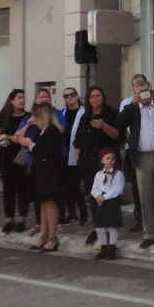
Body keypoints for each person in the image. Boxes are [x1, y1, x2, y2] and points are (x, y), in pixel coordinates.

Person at [119, 79, 154, 249]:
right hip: (141, 157)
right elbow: (119, 124)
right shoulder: (132, 109)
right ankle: (150, 233)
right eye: (139, 91)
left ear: (150, 89)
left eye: (145, 90)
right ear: (135, 92)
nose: (143, 94)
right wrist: (132, 103)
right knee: (145, 196)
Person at [74, 86, 122, 245]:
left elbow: (117, 135)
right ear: (88, 100)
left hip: (107, 161)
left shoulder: (112, 113)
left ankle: (110, 230)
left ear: (103, 97)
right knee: (93, 196)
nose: (95, 98)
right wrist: (78, 158)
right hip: (89, 162)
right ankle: (97, 228)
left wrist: (103, 126)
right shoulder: (85, 116)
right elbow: (78, 140)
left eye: (98, 95)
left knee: (109, 196)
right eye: (92, 96)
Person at [17, 103, 64, 252]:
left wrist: (31, 145)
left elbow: (48, 151)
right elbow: (20, 138)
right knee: (43, 203)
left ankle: (52, 237)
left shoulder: (52, 131)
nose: (33, 119)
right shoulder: (41, 131)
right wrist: (27, 128)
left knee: (49, 203)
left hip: (49, 172)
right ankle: (43, 235)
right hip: (40, 171)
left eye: (35, 116)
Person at [0, 89, 30, 233]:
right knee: (8, 188)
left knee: (22, 188)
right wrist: (8, 137)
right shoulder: (3, 116)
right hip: (5, 156)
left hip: (22, 155)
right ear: (12, 100)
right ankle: (9, 219)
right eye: (19, 98)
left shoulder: (28, 117)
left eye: (23, 98)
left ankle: (22, 219)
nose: (22, 100)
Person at [119, 74, 150, 234]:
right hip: (132, 149)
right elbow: (121, 124)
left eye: (142, 83)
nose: (139, 87)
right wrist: (133, 103)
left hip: (150, 149)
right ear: (132, 87)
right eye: (136, 84)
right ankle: (140, 219)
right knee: (137, 187)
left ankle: (153, 219)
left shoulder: (152, 99)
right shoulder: (126, 102)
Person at [59, 87, 89, 225]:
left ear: (77, 96)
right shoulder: (61, 114)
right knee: (65, 186)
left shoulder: (84, 113)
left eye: (72, 95)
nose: (69, 97)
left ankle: (83, 214)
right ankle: (71, 213)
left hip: (78, 154)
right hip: (62, 154)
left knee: (76, 186)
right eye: (66, 96)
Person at [90, 148, 124, 261]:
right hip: (101, 202)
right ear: (102, 160)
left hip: (112, 202)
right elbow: (94, 188)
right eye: (107, 158)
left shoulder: (118, 174)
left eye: (113, 158)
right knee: (100, 227)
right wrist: (98, 196)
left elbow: (117, 189)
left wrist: (104, 197)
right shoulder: (98, 174)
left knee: (111, 226)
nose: (110, 160)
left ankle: (112, 250)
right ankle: (103, 249)